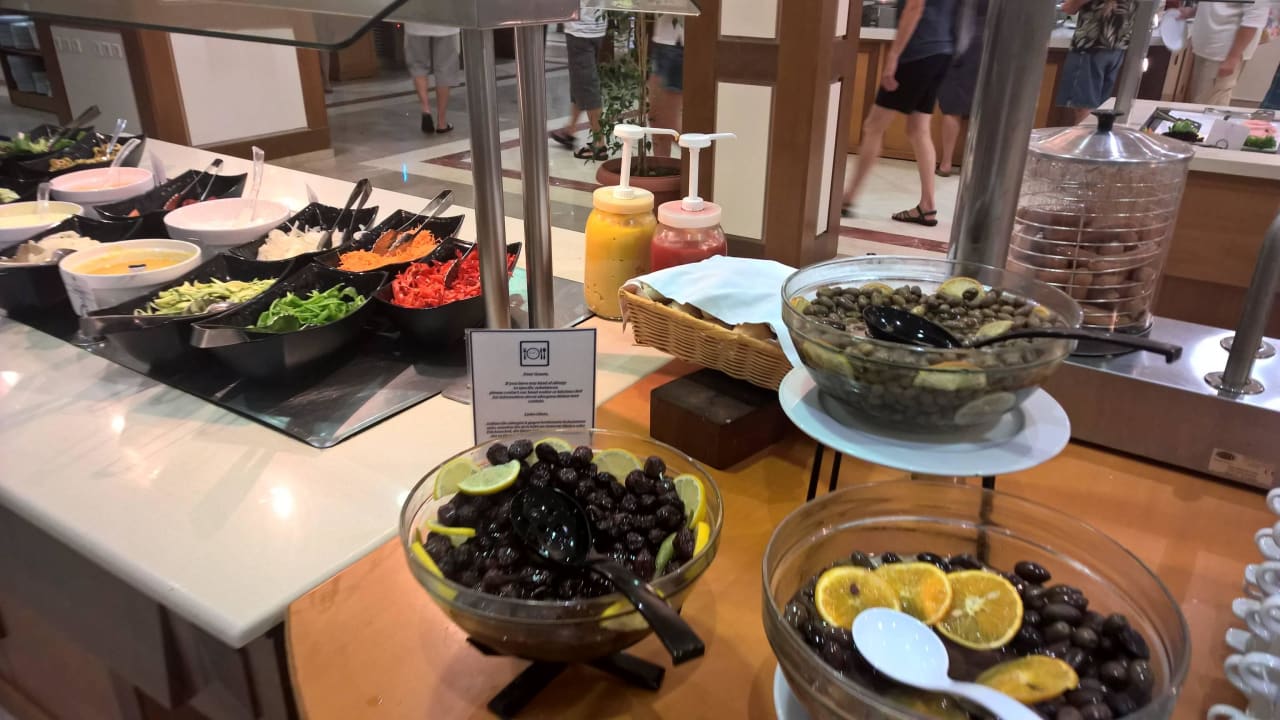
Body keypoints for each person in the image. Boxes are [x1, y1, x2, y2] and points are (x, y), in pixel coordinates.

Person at [842, 0, 957, 227]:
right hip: (941, 51)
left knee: (874, 126)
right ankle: (927, 206)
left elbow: (915, 6)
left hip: (916, 52)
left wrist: (894, 56)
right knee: (918, 129)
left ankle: (847, 199)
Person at [1054, 0, 1136, 125]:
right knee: (1099, 109)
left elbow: (1070, 7)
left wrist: (1071, 5)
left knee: (1084, 108)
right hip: (1118, 42)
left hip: (1092, 42)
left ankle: (1084, 138)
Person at [935, 0, 988, 177]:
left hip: (958, 44)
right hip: (985, 45)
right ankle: (973, 163)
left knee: (952, 107)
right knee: (980, 110)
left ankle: (946, 163)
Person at [1183, 0, 1271, 106]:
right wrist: (1194, 11)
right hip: (1208, 47)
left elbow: (1253, 20)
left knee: (1208, 105)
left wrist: (1232, 58)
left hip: (1223, 53)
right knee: (1200, 100)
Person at [551, 5, 609, 159]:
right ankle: (570, 130)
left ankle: (599, 144)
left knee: (587, 86)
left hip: (581, 28)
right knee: (581, 82)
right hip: (595, 25)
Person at [404, 22, 461, 134]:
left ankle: (426, 109)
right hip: (447, 22)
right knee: (445, 68)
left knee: (418, 65)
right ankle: (441, 122)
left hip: (415, 21)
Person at [648, 14, 684, 157]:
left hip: (676, 44)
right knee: (656, 120)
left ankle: (703, 159)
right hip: (662, 41)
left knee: (667, 124)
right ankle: (661, 165)